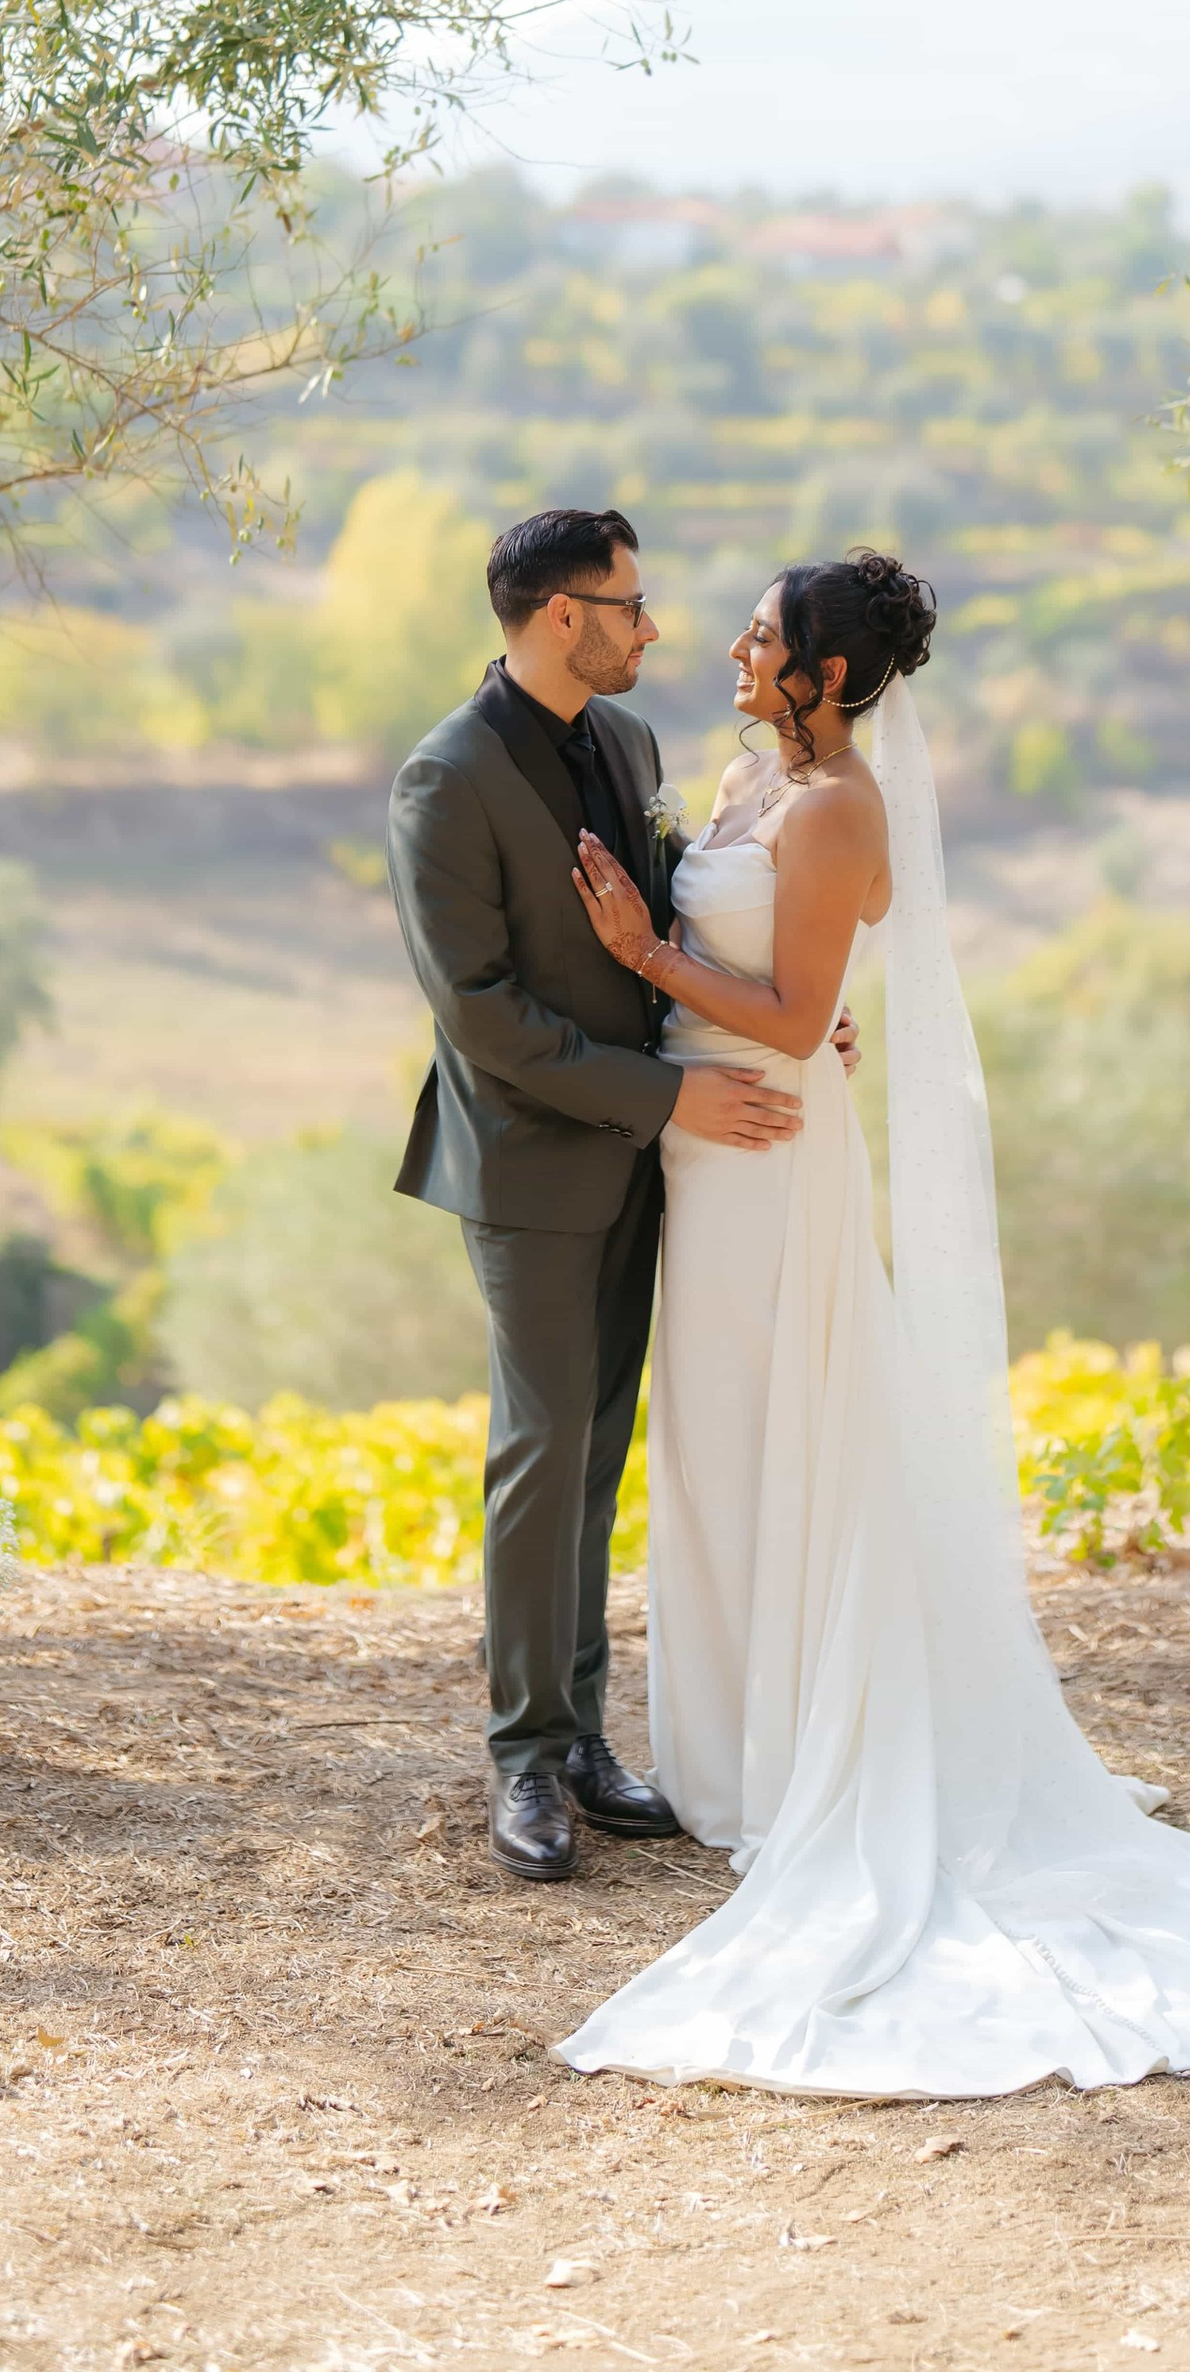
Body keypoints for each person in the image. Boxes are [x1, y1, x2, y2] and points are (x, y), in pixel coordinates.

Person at [556, 547, 1190, 2097]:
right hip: (706, 1138)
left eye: (767, 632)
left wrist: (641, 951)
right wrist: (694, 977)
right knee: (721, 1437)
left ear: (831, 678)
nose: (734, 639)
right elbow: (791, 982)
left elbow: (802, 1018)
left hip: (771, 1149)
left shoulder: (843, 800)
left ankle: (799, 1756)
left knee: (781, 1422)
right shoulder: (749, 774)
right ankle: (734, 1752)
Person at [386, 506, 803, 1884]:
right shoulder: (442, 780)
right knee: (541, 1449)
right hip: (531, 1161)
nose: (653, 624)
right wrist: (668, 1093)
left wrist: (776, 1019)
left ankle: (579, 1734)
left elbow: (664, 934)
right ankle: (522, 1754)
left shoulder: (627, 743)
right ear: (561, 616)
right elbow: (485, 1019)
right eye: (631, 603)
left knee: (599, 1449)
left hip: (648, 1155)